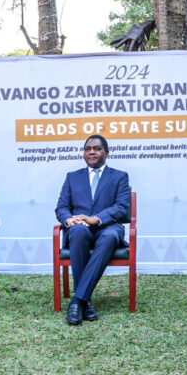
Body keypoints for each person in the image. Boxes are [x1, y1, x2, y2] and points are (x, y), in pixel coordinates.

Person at [55, 135, 131, 325]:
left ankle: (77, 301)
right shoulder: (72, 177)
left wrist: (96, 219)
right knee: (77, 232)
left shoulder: (120, 176)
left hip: (108, 227)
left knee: (110, 236)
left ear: (107, 152)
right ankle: (85, 301)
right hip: (80, 228)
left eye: (97, 149)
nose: (91, 152)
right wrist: (69, 219)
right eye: (87, 149)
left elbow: (121, 206)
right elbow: (61, 207)